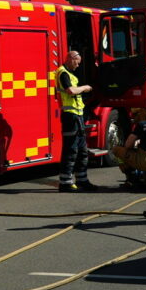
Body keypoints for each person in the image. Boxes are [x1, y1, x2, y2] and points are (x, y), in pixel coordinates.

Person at [56, 50, 95, 192]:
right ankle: (65, 182)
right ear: (71, 58)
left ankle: (82, 180)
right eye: (77, 63)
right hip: (70, 117)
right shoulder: (63, 73)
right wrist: (85, 88)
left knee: (82, 150)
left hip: (77, 116)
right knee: (71, 150)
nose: (78, 66)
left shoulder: (70, 74)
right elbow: (70, 91)